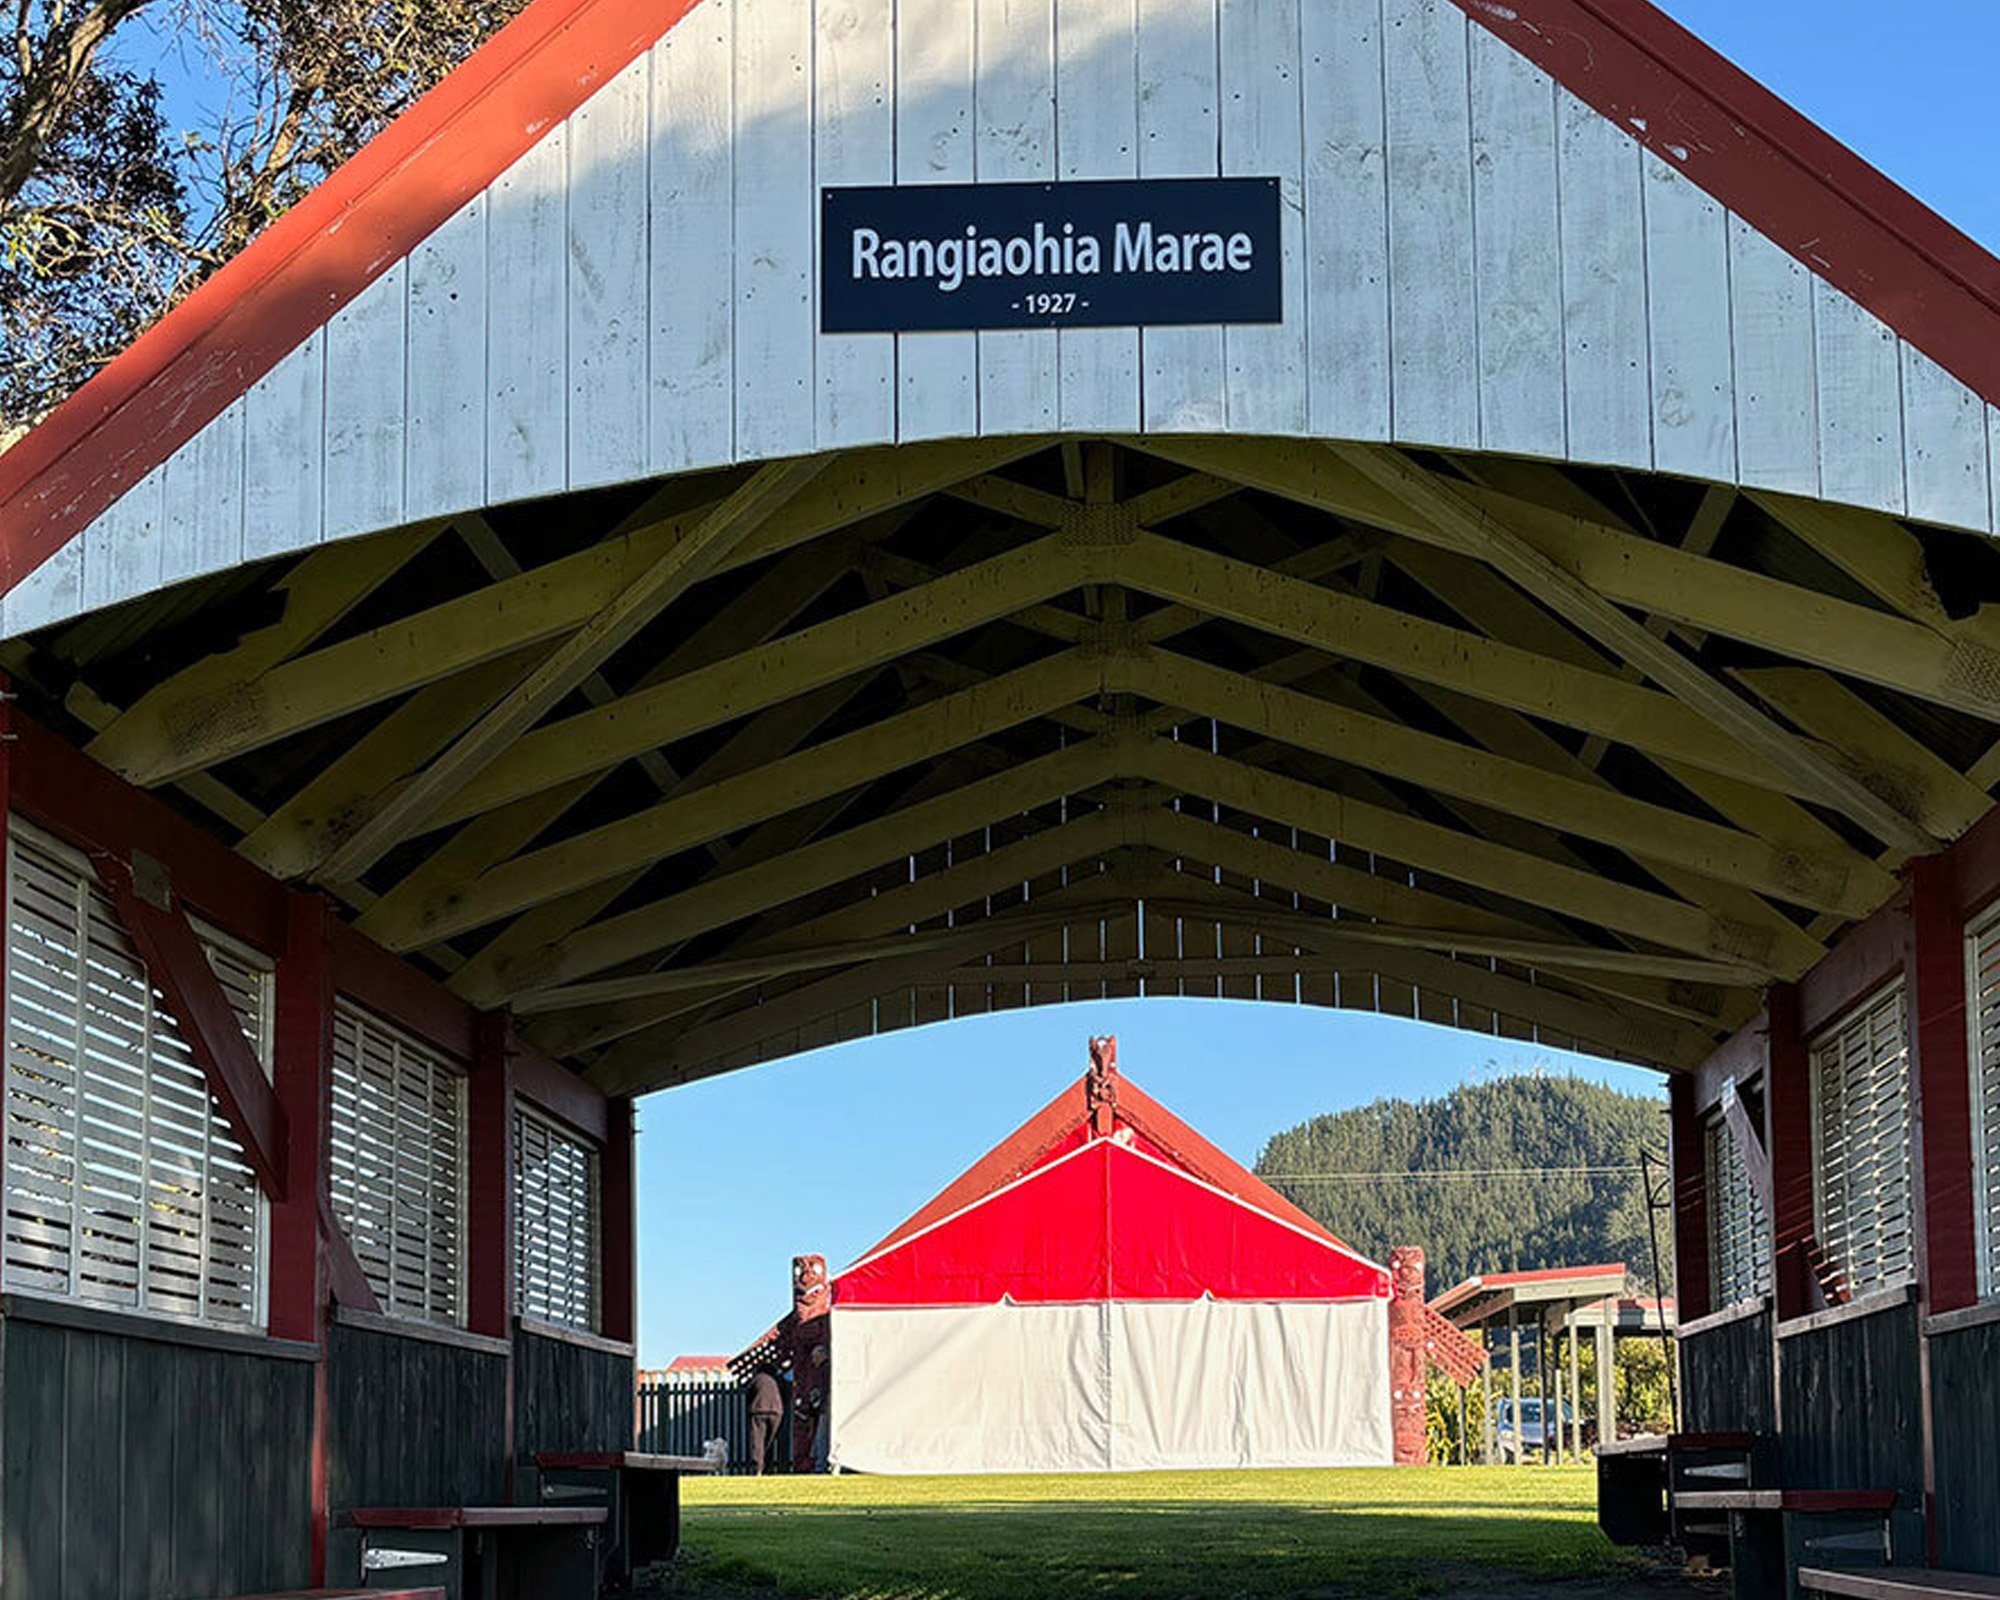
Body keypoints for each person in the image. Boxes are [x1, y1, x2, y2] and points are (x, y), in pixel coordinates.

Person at [745, 1364, 785, 1475]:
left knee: (758, 1440)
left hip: (759, 1410)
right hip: (776, 1411)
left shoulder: (757, 1379)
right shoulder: (777, 1379)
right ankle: (769, 1467)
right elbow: (786, 1393)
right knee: (770, 1441)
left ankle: (758, 1467)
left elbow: (749, 1394)